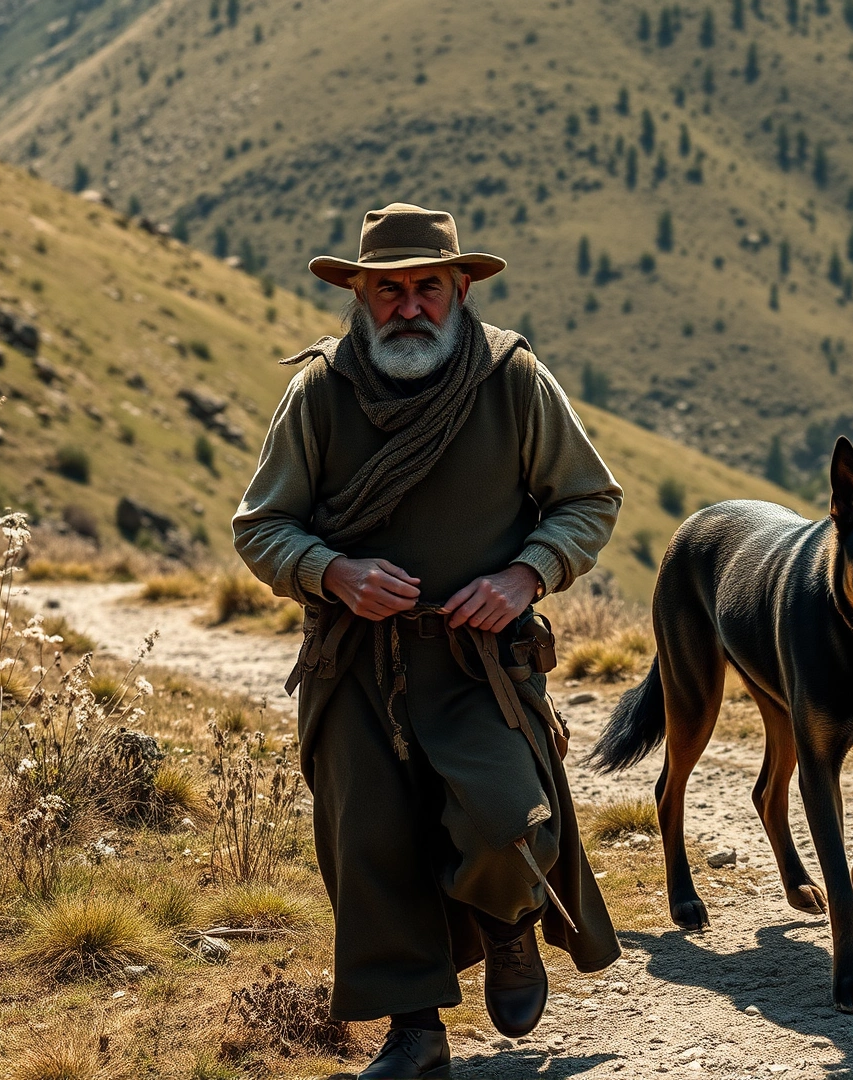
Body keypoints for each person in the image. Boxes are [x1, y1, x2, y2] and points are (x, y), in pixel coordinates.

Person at [234, 203, 622, 1079]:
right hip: (354, 665)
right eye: (389, 291)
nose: (408, 307)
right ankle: (416, 1032)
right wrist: (333, 574)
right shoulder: (318, 394)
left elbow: (589, 498)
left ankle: (511, 924)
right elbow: (261, 526)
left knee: (506, 826)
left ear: (459, 292)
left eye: (427, 289)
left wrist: (524, 576)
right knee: (371, 846)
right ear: (360, 297)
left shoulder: (513, 381)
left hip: (480, 661)